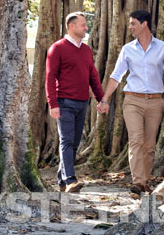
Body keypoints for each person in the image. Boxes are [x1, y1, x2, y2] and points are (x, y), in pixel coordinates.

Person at [97, 9, 164, 199]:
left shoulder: (163, 48)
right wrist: (105, 99)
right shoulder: (127, 49)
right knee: (136, 140)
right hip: (132, 100)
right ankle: (138, 182)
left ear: (144, 24)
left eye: (133, 23)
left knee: (149, 145)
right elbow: (116, 76)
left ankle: (145, 181)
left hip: (156, 101)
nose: (130, 27)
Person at [46, 11, 104, 193]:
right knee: (67, 141)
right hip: (64, 103)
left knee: (75, 142)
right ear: (71, 26)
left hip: (82, 103)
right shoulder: (57, 48)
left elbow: (93, 76)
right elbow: (49, 77)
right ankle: (71, 179)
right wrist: (53, 104)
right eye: (83, 25)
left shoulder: (86, 50)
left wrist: (101, 98)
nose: (86, 28)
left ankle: (62, 181)